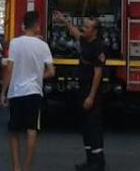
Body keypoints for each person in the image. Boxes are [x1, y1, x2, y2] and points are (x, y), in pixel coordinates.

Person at [0, 11, 55, 171]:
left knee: (13, 131)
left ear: (23, 26)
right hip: (34, 92)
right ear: (37, 26)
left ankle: (16, 167)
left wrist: (3, 92)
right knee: (32, 130)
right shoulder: (43, 46)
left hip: (16, 92)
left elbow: (9, 69)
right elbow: (52, 71)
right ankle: (27, 167)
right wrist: (38, 76)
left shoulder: (15, 43)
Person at [54, 12, 107, 171]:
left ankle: (98, 163)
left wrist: (91, 97)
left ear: (95, 31)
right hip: (83, 90)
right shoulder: (85, 40)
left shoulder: (98, 47)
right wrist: (65, 21)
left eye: (87, 27)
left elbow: (98, 74)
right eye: (84, 26)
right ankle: (90, 161)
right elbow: (75, 32)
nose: (83, 28)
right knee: (85, 127)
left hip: (92, 93)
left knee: (93, 127)